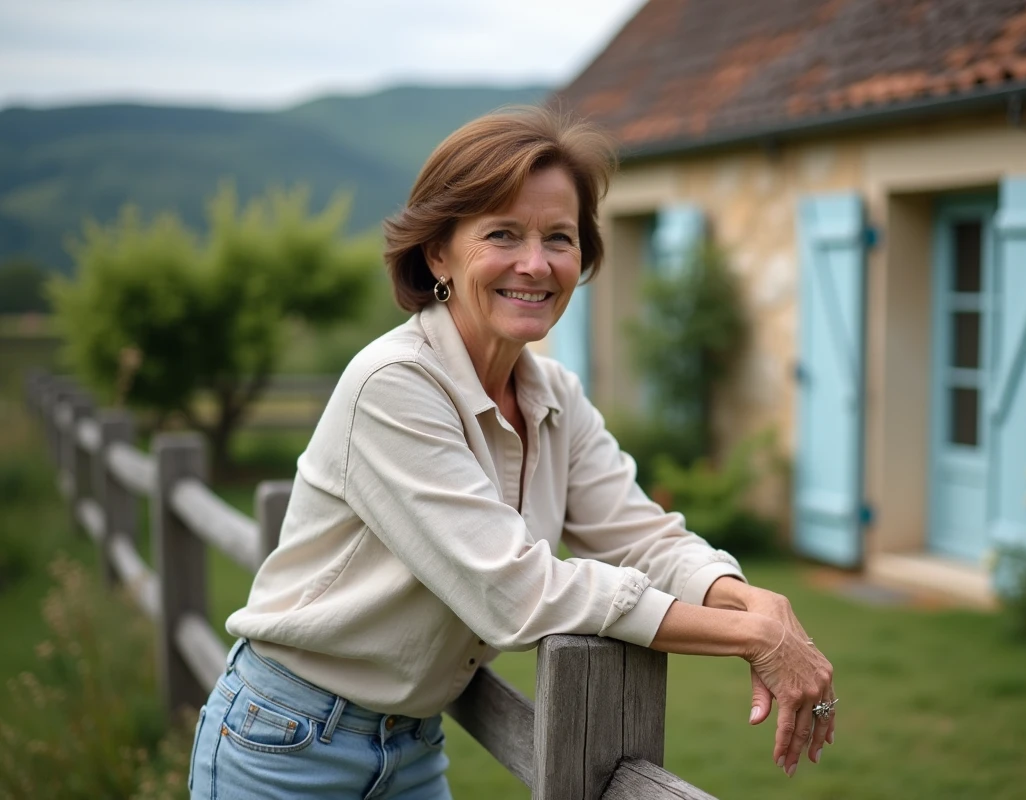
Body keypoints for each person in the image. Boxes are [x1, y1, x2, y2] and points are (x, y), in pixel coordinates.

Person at [187, 106, 835, 799]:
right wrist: (746, 637)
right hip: (287, 743)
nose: (535, 263)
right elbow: (516, 593)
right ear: (438, 252)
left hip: (411, 747)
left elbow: (642, 537)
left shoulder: (554, 394)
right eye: (503, 233)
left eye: (559, 237)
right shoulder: (392, 386)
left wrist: (749, 601)